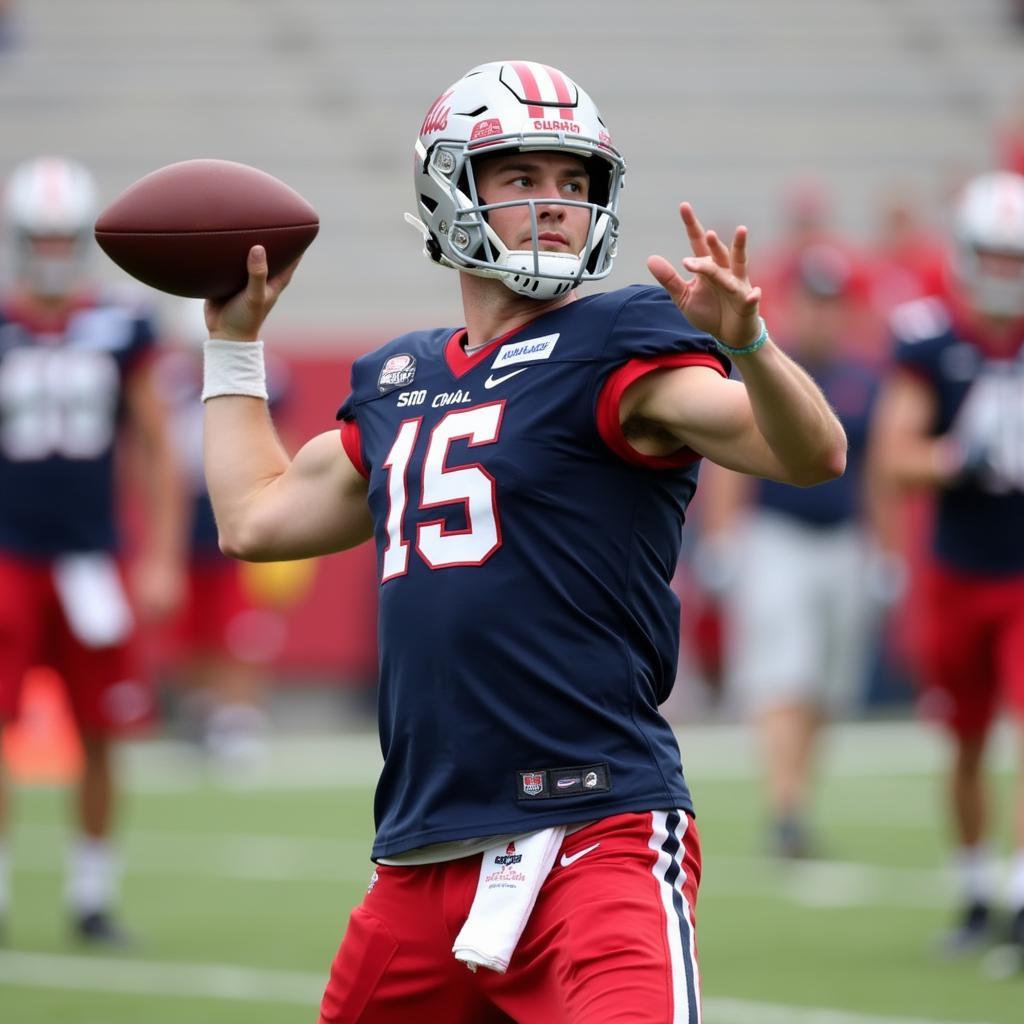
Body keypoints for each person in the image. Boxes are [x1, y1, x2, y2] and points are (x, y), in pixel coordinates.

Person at [201, 60, 846, 1023]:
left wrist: (750, 347)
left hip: (596, 833)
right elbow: (255, 519)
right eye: (521, 179)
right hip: (423, 853)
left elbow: (811, 454)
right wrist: (233, 345)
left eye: (574, 183)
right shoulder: (398, 379)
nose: (554, 205)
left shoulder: (621, 340)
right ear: (449, 186)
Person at [0, 156, 185, 943]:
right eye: (37, 236)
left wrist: (163, 554)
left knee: (103, 731)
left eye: (61, 236)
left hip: (90, 558)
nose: (49, 250)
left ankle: (92, 896)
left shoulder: (121, 323)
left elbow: (154, 445)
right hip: (7, 556)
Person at [869, 169, 1024, 960]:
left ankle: (1022, 892)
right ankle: (972, 888)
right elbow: (897, 454)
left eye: (1015, 257)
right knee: (964, 742)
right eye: (992, 255)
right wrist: (959, 458)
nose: (1003, 273)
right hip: (959, 568)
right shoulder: (932, 336)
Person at [694, 244, 884, 859]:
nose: (822, 315)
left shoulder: (864, 378)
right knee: (784, 675)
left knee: (828, 684)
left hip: (844, 539)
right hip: (777, 538)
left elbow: (875, 472)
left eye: (833, 303)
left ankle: (797, 798)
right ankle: (785, 808)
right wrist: (723, 539)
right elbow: (734, 461)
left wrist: (886, 550)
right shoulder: (768, 361)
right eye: (813, 300)